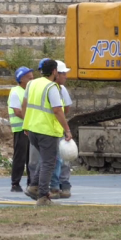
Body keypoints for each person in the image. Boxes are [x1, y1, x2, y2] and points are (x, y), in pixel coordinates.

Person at [23, 58, 72, 206]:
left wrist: (26, 124)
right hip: (47, 130)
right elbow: (57, 110)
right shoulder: (51, 87)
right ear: (54, 71)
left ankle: (34, 187)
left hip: (32, 129)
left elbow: (25, 104)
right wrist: (67, 130)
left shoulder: (32, 83)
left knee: (45, 160)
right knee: (49, 162)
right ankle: (43, 196)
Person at [8, 66, 33, 193]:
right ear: (21, 79)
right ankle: (15, 183)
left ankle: (31, 182)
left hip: (29, 128)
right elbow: (17, 111)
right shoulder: (15, 92)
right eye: (29, 78)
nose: (32, 79)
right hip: (20, 129)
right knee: (20, 157)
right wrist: (30, 120)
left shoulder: (29, 91)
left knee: (31, 157)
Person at [56, 61, 73, 199]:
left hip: (57, 129)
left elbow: (65, 109)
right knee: (54, 159)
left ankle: (64, 184)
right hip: (48, 130)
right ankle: (55, 185)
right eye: (63, 73)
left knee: (63, 158)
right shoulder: (50, 89)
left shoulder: (62, 90)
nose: (66, 76)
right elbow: (60, 110)